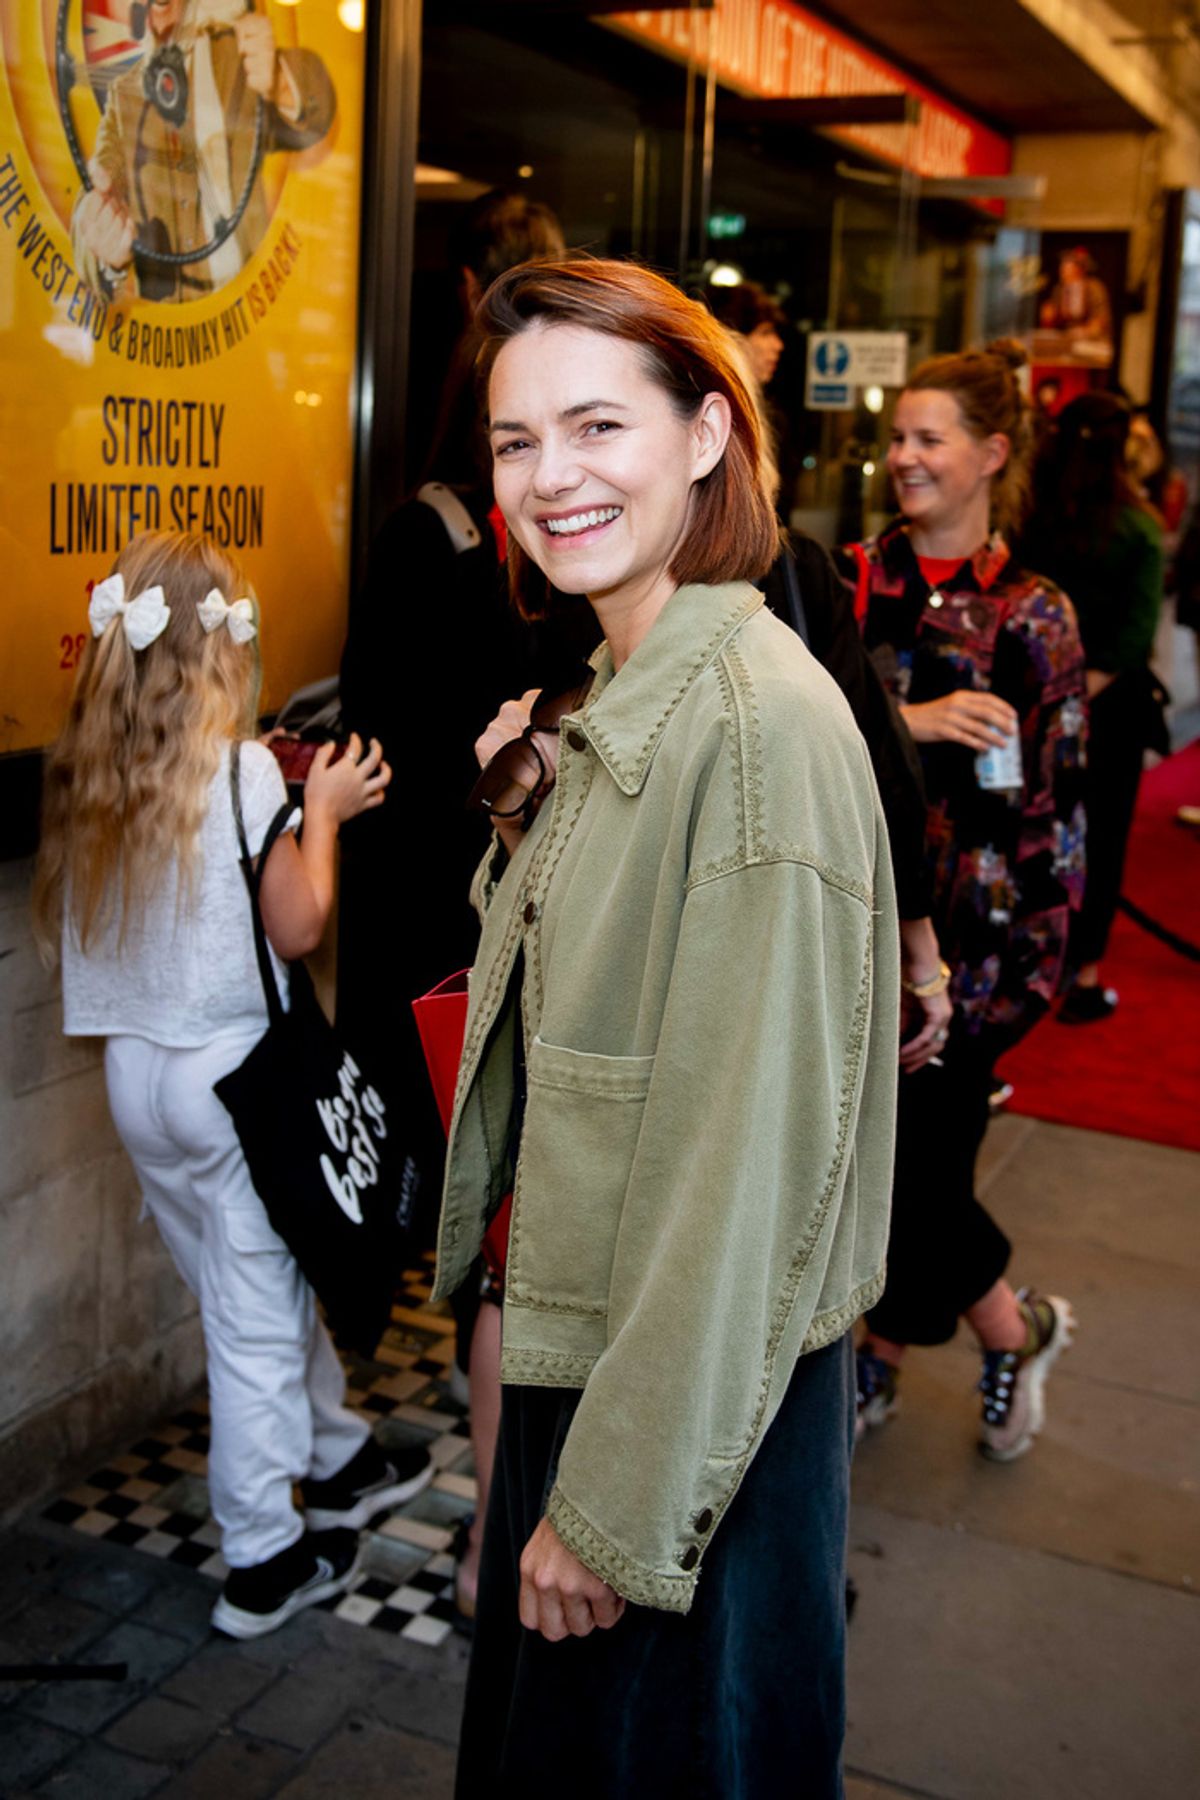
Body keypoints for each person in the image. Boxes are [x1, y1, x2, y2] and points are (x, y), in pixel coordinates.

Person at [433, 258, 900, 1796]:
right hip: (618, 1354)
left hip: (693, 1410)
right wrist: (526, 812)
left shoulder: (757, 731)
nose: (551, 478)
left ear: (708, 434)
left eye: (595, 426)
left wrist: (616, 1502)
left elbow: (741, 1177)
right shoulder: (618, 681)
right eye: (515, 443)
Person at [32, 530, 430, 1639]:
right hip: (237, 1082)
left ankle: (339, 1459)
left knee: (244, 1286)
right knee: (252, 1325)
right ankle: (265, 1558)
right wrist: (328, 818)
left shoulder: (92, 764)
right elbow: (296, 925)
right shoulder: (246, 771)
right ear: (219, 651)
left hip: (138, 1079)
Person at [338, 188, 576, 1619]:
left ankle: (527, 1517)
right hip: (458, 931)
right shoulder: (428, 538)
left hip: (545, 924)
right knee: (493, 1240)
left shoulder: (561, 547)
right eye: (524, 425)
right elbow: (390, 741)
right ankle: (498, 1527)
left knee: (531, 1245)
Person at [834, 341, 1085, 1460]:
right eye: (896, 438)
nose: (904, 459)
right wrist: (917, 722)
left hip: (973, 955)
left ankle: (997, 1332)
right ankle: (968, 1339)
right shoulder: (844, 582)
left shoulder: (1035, 617)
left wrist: (1037, 968)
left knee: (913, 1176)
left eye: (928, 439)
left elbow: (1059, 812)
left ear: (990, 455)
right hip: (843, 929)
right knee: (874, 1172)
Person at [1021, 391, 1166, 1023]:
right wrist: (1082, 690)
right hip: (1108, 713)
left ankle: (1030, 955)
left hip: (1033, 699)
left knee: (1036, 826)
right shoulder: (1137, 527)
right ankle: (1083, 972)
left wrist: (1052, 690)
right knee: (1101, 839)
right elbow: (1134, 638)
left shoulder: (1033, 514)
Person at [72, 0, 335, 303]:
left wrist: (278, 81)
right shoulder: (125, 98)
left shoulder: (238, 56)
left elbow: (319, 101)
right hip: (180, 333)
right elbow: (96, 191)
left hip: (255, 313)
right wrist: (100, 234)